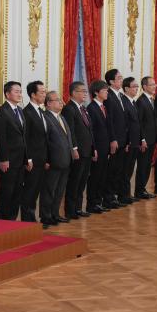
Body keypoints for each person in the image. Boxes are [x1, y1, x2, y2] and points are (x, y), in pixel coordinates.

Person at [0, 81, 31, 220]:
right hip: (8, 160)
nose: (19, 94)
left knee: (17, 192)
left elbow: (24, 137)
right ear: (7, 94)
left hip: (20, 160)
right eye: (16, 91)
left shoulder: (20, 111)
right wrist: (3, 159)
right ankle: (4, 221)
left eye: (20, 91)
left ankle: (13, 221)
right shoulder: (2, 112)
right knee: (7, 192)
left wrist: (27, 158)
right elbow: (1, 138)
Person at [61, 81, 94, 219]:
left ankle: (78, 208)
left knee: (82, 182)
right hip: (78, 152)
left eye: (86, 91)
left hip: (87, 151)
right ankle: (70, 210)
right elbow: (71, 132)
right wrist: (74, 148)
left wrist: (93, 148)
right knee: (74, 182)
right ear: (74, 93)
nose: (85, 94)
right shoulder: (69, 109)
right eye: (82, 91)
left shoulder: (83, 108)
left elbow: (89, 130)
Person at [41, 91, 73, 227]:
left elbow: (67, 138)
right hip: (53, 161)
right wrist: (47, 159)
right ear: (48, 103)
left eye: (61, 100)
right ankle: (45, 216)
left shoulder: (62, 118)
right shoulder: (45, 117)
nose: (61, 102)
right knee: (49, 190)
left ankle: (55, 214)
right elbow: (45, 141)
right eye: (57, 100)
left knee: (60, 190)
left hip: (65, 160)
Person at [22, 81, 49, 222]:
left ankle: (32, 218)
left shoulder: (41, 111)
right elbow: (26, 139)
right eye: (42, 92)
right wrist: (28, 159)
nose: (45, 95)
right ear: (33, 94)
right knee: (29, 191)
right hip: (32, 160)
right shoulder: (26, 112)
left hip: (42, 158)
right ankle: (28, 220)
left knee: (36, 190)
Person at [104, 69, 129, 207]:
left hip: (122, 140)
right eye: (119, 78)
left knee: (119, 170)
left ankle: (115, 195)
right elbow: (110, 121)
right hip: (115, 140)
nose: (121, 80)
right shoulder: (109, 97)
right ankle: (108, 198)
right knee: (112, 171)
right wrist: (113, 139)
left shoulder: (119, 96)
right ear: (111, 81)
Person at [86, 80, 111, 213]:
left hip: (105, 147)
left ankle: (98, 201)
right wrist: (93, 148)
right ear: (96, 92)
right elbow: (92, 131)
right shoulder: (91, 108)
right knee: (95, 176)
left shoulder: (104, 107)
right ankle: (92, 203)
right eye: (104, 90)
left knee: (102, 176)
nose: (107, 93)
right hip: (97, 148)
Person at [135, 76, 157, 199]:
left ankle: (142, 189)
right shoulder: (141, 101)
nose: (154, 86)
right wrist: (142, 139)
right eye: (151, 84)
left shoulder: (151, 100)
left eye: (155, 84)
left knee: (148, 165)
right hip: (145, 140)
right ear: (144, 87)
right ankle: (139, 190)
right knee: (143, 165)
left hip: (152, 138)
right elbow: (140, 123)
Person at [121, 77, 142, 202]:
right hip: (129, 142)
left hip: (135, 141)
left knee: (129, 169)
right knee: (125, 170)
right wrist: (128, 141)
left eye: (137, 86)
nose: (136, 89)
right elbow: (126, 125)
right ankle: (123, 195)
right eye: (134, 86)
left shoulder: (133, 102)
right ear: (127, 88)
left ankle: (127, 194)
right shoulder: (124, 102)